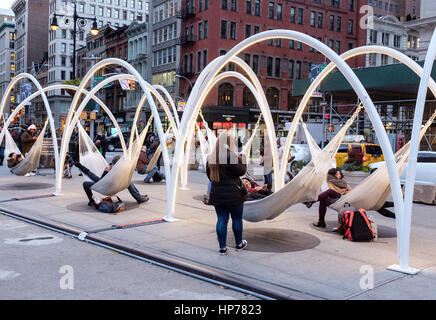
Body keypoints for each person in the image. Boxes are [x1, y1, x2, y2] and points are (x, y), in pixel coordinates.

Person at [206, 132, 248, 255]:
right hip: (234, 194)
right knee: (237, 219)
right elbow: (242, 171)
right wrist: (243, 159)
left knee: (221, 220)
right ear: (230, 143)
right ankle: (239, 244)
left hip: (217, 194)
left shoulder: (211, 157)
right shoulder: (231, 156)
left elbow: (209, 176)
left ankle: (222, 248)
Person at [73, 155, 149, 207]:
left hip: (107, 187)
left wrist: (106, 171)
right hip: (111, 186)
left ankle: (91, 200)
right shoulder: (119, 170)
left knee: (86, 184)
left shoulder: (113, 171)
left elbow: (100, 181)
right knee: (128, 182)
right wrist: (81, 166)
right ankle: (138, 197)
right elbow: (96, 178)